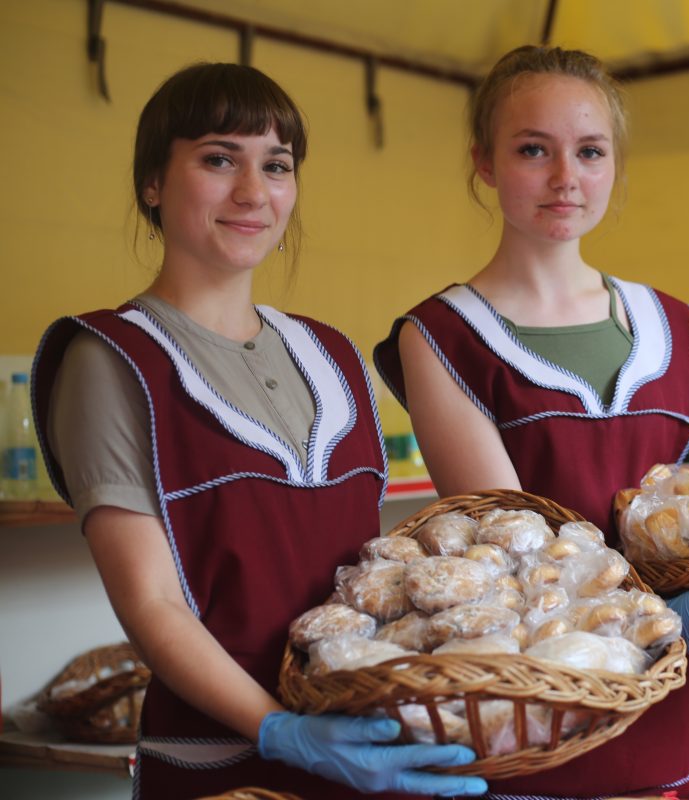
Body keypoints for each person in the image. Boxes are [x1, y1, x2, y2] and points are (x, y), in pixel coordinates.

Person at [374, 45, 689, 798]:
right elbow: (514, 565)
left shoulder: (672, 324)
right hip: (537, 730)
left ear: (614, 164)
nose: (566, 178)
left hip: (669, 722)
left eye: (590, 151)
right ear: (483, 163)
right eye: (533, 150)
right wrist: (674, 617)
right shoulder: (441, 336)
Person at [31, 63, 487, 799]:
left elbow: (369, 577)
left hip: (365, 745)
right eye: (218, 159)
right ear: (153, 182)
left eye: (276, 166)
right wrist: (279, 728)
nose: (253, 192)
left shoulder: (333, 353)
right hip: (220, 762)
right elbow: (150, 602)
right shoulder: (113, 360)